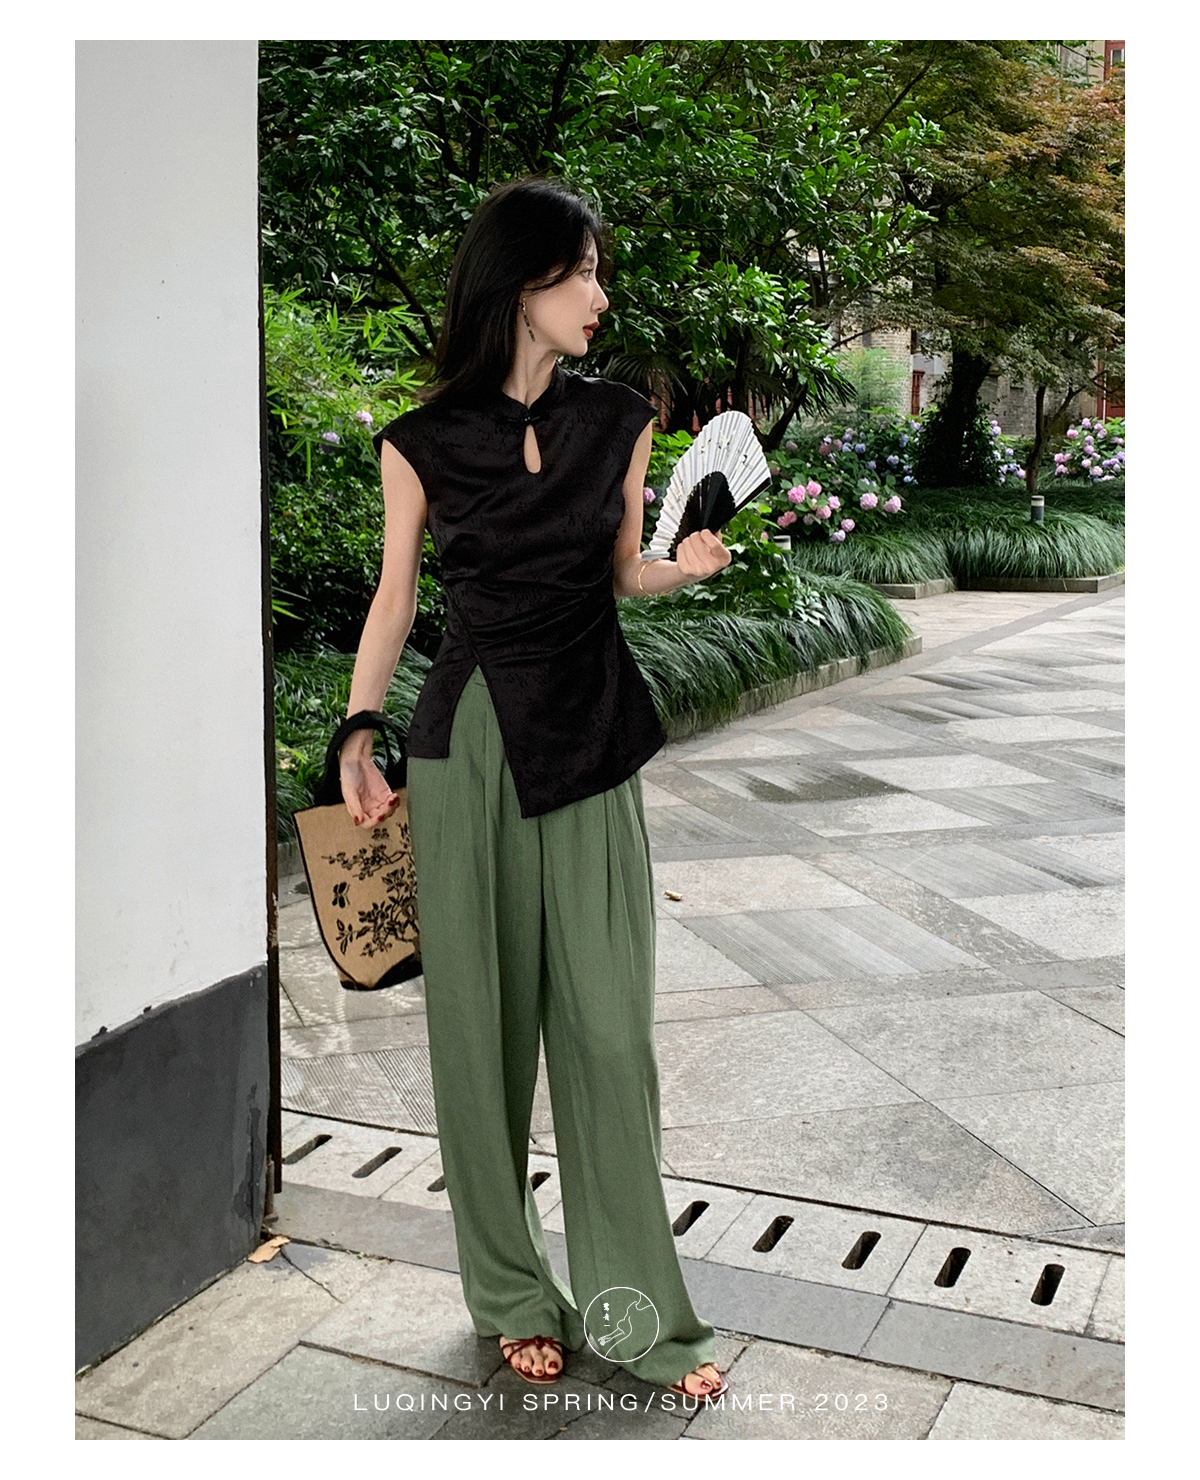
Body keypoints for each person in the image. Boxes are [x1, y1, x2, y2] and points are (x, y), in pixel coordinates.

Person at [338, 175, 732, 1402]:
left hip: (593, 739)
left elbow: (623, 573)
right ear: (523, 284)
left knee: (610, 1034)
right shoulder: (420, 441)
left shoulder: (620, 419)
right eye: (583, 272)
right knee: (482, 1037)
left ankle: (638, 1313)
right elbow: (396, 598)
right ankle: (510, 1293)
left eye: (599, 272)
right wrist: (359, 728)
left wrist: (686, 565)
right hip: (468, 749)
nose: (601, 295)